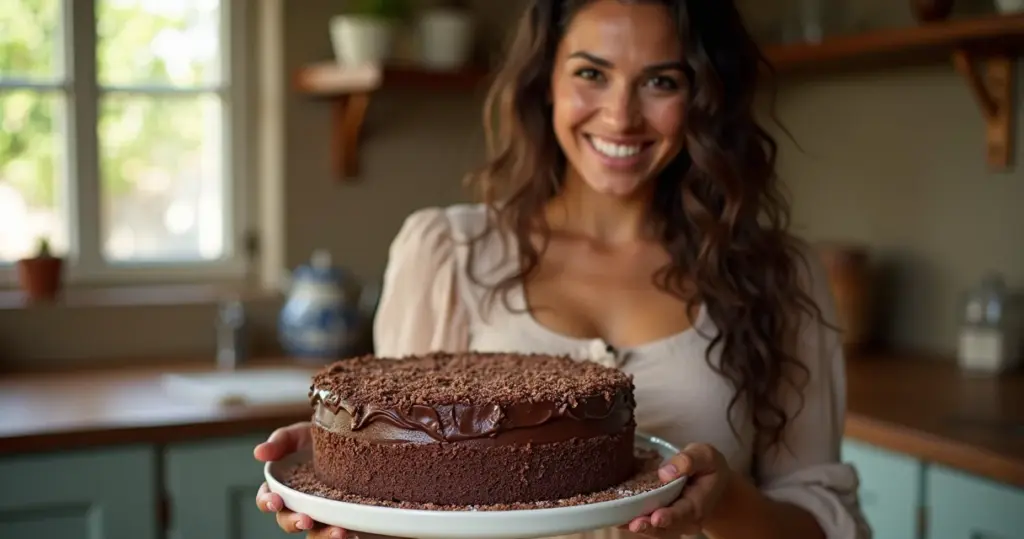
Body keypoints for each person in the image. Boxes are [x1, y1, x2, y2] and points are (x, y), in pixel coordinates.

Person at [254, 0, 872, 537]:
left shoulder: (777, 276)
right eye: (591, 73)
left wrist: (724, 500)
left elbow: (827, 524)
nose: (621, 116)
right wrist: (349, 481)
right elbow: (411, 500)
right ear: (546, 79)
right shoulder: (447, 253)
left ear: (704, 95)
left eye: (661, 81)